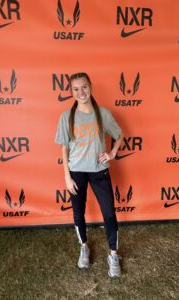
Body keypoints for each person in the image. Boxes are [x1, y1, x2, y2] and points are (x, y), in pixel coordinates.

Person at [55, 72, 124, 278]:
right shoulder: (66, 116)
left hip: (99, 171)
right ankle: (84, 246)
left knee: (109, 213)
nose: (81, 92)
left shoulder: (103, 113)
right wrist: (67, 177)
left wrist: (111, 153)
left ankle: (113, 254)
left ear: (90, 87)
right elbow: (64, 149)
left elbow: (119, 135)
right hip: (76, 172)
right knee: (78, 212)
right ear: (71, 92)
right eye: (76, 89)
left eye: (84, 87)